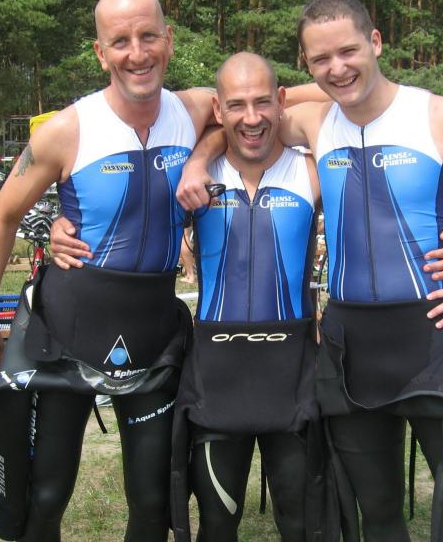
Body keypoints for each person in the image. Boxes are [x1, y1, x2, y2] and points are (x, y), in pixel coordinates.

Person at [178, 0, 443, 541]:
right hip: (352, 346)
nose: (337, 68)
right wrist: (197, 161)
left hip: (435, 334)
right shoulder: (315, 122)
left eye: (348, 51)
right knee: (378, 517)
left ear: (376, 41)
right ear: (307, 64)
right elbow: (239, 123)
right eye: (321, 58)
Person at [0, 0, 228, 542]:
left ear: (169, 39)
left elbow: (273, 101)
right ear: (100, 52)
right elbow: (2, 217)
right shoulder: (68, 128)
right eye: (121, 41)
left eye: (149, 36)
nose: (138, 53)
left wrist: (200, 157)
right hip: (70, 329)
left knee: (153, 500)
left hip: (152, 331)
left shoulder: (194, 108)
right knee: (46, 494)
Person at [171, 53, 321, 542]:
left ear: (281, 101)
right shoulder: (193, 178)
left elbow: (348, 96)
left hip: (291, 371)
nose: (251, 118)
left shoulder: (312, 171)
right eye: (236, 105)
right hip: (217, 373)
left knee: (301, 523)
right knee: (217, 524)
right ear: (217, 109)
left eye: (263, 102)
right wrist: (64, 225)